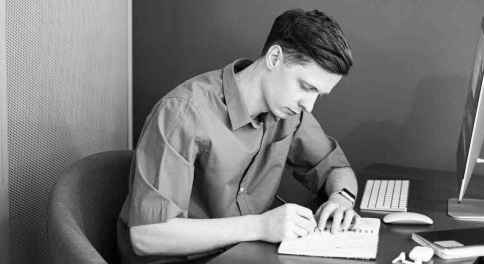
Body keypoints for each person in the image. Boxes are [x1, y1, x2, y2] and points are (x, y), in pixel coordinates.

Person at [117, 8, 359, 263]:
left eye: (318, 95)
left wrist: (340, 200)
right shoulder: (183, 112)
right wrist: (261, 227)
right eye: (306, 87)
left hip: (242, 255)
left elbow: (335, 169)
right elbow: (147, 235)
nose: (309, 106)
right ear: (275, 58)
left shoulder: (290, 113)